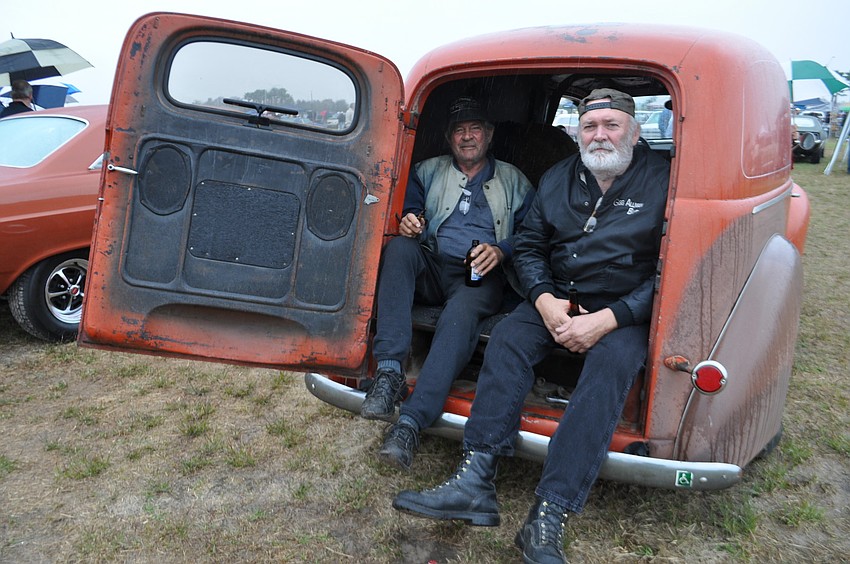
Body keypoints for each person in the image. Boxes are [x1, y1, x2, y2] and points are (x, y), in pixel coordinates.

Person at [391, 88, 670, 564]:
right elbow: (529, 244)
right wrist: (543, 299)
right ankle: (475, 479)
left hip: (622, 308)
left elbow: (668, 269)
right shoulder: (558, 178)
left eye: (611, 125)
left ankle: (548, 514)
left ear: (634, 130)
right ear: (577, 132)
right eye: (590, 126)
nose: (599, 135)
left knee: (610, 367)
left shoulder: (664, 182)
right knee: (507, 339)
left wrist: (610, 318)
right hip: (557, 295)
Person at [360, 96, 534, 472]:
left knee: (460, 316)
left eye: (475, 129)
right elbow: (407, 208)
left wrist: (501, 250)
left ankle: (410, 423)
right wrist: (409, 220)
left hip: (479, 274)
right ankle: (389, 372)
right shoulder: (427, 170)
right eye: (459, 130)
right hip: (433, 262)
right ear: (449, 137)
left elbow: (532, 236)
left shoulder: (515, 181)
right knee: (400, 249)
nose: (467, 137)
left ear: (489, 135)